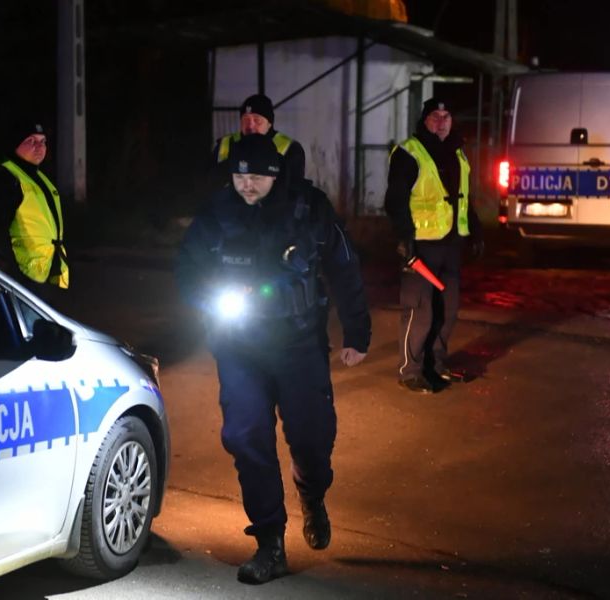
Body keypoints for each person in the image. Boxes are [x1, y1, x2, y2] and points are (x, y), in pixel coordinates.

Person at [176, 134, 371, 584]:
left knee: (312, 436)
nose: (246, 185)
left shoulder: (308, 207)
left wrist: (358, 332)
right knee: (247, 438)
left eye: (256, 177)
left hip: (299, 343)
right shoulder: (218, 212)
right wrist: (207, 299)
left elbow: (344, 265)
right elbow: (186, 267)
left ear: (275, 174)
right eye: (239, 175)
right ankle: (270, 542)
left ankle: (312, 492)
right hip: (239, 347)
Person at [384, 97, 483, 394]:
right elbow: (395, 202)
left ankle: (436, 365)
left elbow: (464, 198)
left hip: (451, 244)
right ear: (424, 120)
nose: (441, 121)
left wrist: (476, 233)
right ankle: (410, 370)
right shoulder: (409, 152)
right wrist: (405, 240)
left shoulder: (457, 152)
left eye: (446, 116)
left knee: (447, 309)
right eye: (434, 116)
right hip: (421, 246)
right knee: (419, 310)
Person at [0, 120, 69, 300]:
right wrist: (10, 277)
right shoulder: (4, 176)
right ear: (16, 144)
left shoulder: (36, 176)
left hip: (39, 274)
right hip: (20, 277)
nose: (39, 147)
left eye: (43, 142)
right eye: (31, 141)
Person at [212, 93, 306, 189]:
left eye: (257, 120)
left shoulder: (290, 149)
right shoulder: (226, 143)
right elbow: (207, 185)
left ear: (269, 124)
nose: (250, 126)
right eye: (246, 120)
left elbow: (294, 191)